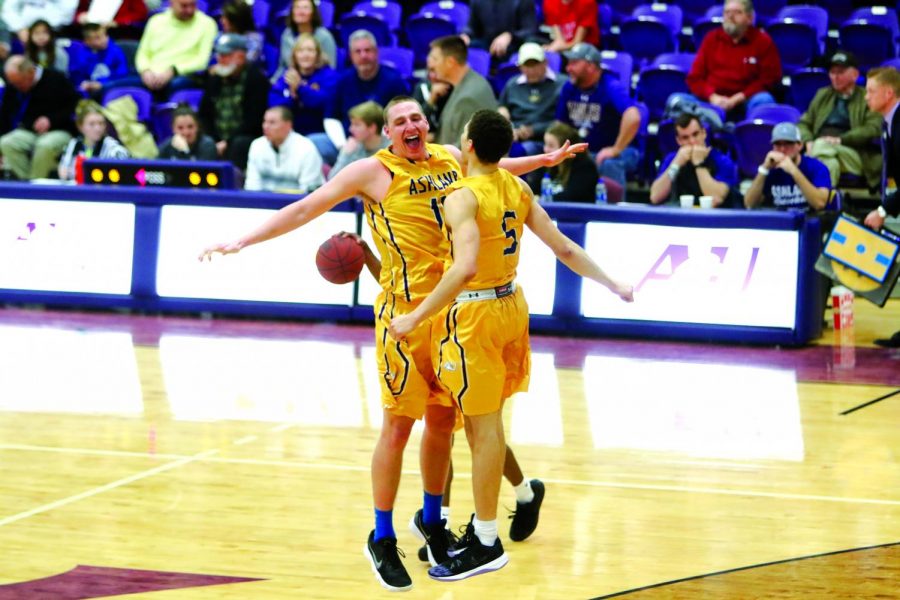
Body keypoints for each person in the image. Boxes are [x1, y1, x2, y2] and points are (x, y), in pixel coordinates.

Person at [199, 96, 585, 592]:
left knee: (444, 424)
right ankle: (381, 536)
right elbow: (304, 208)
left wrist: (544, 161)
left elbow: (497, 165)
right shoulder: (370, 171)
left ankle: (434, 521)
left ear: (427, 124)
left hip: (450, 312)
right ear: (387, 132)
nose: (411, 125)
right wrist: (241, 241)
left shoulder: (449, 157)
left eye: (417, 118)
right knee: (399, 428)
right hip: (403, 315)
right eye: (400, 120)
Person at [387, 108, 633, 581]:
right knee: (488, 424)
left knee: (480, 431)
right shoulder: (516, 188)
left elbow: (461, 269)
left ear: (471, 147)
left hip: (475, 315)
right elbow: (563, 248)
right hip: (512, 307)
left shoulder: (462, 197)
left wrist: (416, 315)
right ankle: (515, 499)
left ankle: (485, 540)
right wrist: (611, 283)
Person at [555, 42, 641, 191]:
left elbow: (633, 117)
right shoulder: (569, 88)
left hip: (622, 150)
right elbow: (560, 126)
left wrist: (615, 149)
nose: (568, 68)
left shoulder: (610, 86)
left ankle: (615, 212)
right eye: (568, 64)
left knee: (609, 163)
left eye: (574, 63)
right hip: (584, 151)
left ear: (591, 66)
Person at [684, 0, 781, 121]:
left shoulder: (763, 42)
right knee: (677, 100)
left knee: (764, 100)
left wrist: (738, 98)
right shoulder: (711, 39)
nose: (730, 17)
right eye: (727, 12)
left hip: (745, 100)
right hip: (712, 100)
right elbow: (695, 78)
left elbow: (770, 79)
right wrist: (712, 97)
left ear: (750, 18)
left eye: (737, 12)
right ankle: (712, 122)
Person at [798, 50, 882, 189]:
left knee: (820, 148)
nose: (835, 77)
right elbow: (803, 123)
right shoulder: (823, 95)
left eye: (840, 72)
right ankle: (826, 205)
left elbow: (872, 129)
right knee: (829, 164)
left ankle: (811, 195)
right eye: (832, 72)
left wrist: (841, 140)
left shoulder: (866, 98)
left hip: (856, 154)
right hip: (823, 151)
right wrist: (807, 141)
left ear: (855, 75)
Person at [326, 30, 409, 164]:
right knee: (317, 143)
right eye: (358, 51)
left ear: (376, 52)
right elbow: (330, 117)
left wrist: (383, 142)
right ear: (351, 55)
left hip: (384, 142)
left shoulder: (393, 80)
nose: (363, 55)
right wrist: (342, 145)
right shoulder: (342, 81)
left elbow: (404, 116)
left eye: (367, 50)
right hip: (348, 141)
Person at [862, 66, 900, 348]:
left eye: (871, 91)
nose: (866, 97)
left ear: (888, 93)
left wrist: (884, 210)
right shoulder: (890, 121)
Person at [0, 55, 80, 180]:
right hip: (29, 131)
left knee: (44, 146)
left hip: (60, 130)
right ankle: (26, 182)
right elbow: (5, 115)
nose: (17, 87)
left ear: (31, 72)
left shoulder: (56, 78)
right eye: (13, 84)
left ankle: (36, 186)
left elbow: (75, 107)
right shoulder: (13, 86)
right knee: (6, 142)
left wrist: (51, 119)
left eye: (20, 83)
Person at [198, 33, 270, 170]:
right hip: (216, 138)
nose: (220, 59)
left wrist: (227, 142)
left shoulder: (256, 79)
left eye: (226, 55)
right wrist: (214, 140)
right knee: (204, 143)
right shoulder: (214, 78)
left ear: (241, 57)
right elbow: (204, 114)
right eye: (219, 55)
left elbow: (254, 120)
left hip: (245, 137)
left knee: (239, 144)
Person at [650, 112, 740, 207]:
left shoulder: (721, 160)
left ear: (703, 133)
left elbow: (716, 198)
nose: (692, 141)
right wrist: (676, 164)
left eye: (695, 134)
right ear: (678, 141)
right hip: (682, 218)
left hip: (716, 219)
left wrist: (699, 164)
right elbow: (655, 197)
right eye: (685, 138)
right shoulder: (673, 159)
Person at [134, 0, 218, 95]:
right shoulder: (155, 21)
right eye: (184, 6)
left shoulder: (207, 24)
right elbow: (143, 53)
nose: (190, 10)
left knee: (174, 86)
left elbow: (203, 61)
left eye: (193, 5)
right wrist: (145, 70)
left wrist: (174, 71)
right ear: (172, 4)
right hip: (151, 75)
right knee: (115, 86)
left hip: (182, 75)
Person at [744, 122, 831, 212]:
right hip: (780, 222)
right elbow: (749, 204)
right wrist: (764, 169)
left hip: (808, 220)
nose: (782, 149)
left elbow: (820, 203)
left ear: (800, 145)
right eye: (778, 144)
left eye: (788, 144)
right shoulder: (770, 169)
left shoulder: (816, 167)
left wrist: (793, 171)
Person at [427, 35, 497, 146]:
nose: (431, 64)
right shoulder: (467, 84)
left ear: (450, 62)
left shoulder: (468, 98)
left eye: (435, 59)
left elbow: (465, 151)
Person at [499, 42, 564, 157]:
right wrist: (507, 126)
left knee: (518, 152)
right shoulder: (512, 84)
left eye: (535, 64)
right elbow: (502, 108)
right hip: (514, 135)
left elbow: (564, 120)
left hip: (547, 139)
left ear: (545, 62)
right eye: (527, 66)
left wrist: (534, 130)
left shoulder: (562, 84)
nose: (531, 70)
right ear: (520, 66)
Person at [269, 34, 338, 138]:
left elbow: (325, 102)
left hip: (321, 132)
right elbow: (275, 106)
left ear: (318, 55)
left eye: (310, 50)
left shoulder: (329, 75)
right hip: (291, 133)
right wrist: (292, 97)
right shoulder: (288, 77)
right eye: (300, 51)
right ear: (294, 56)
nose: (305, 55)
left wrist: (300, 88)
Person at [244, 106, 324, 193]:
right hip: (263, 203)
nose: (265, 126)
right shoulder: (257, 145)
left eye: (272, 122)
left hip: (297, 203)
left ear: (288, 125)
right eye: (264, 121)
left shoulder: (306, 148)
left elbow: (308, 192)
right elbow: (252, 186)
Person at [57, 99, 129, 180]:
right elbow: (63, 171)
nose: (98, 128)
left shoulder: (111, 146)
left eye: (101, 123)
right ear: (80, 126)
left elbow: (123, 166)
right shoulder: (74, 144)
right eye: (92, 124)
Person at [527, 121, 598, 202]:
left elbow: (571, 197)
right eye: (545, 144)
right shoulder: (547, 163)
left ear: (565, 148)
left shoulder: (585, 167)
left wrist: (541, 200)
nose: (545, 149)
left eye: (551, 145)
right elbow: (533, 189)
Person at [461, 0, 538, 62]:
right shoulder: (478, 1)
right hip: (487, 45)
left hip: (515, 47)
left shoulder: (522, 1)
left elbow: (530, 30)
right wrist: (466, 35)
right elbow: (472, 26)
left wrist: (510, 36)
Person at [328, 101, 388, 179]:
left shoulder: (392, 148)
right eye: (351, 124)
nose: (350, 129)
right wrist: (346, 155)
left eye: (356, 125)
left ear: (372, 128)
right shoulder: (352, 148)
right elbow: (331, 179)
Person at [277, 0, 337, 76]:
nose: (301, 12)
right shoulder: (286, 35)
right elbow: (282, 67)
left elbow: (331, 67)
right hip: (290, 79)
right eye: (297, 7)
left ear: (313, 13)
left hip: (318, 83)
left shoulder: (325, 37)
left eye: (305, 8)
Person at [70, 22, 129, 97]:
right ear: (87, 41)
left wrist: (102, 84)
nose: (104, 40)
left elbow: (121, 75)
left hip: (111, 89)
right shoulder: (79, 54)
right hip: (87, 90)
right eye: (97, 38)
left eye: (105, 35)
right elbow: (76, 75)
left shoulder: (115, 51)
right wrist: (84, 84)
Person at [1, 0, 77, 45]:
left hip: (55, 30)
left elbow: (68, 9)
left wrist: (45, 29)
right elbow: (8, 9)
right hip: (24, 32)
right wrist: (20, 28)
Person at [218, 0, 263, 65]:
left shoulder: (254, 39)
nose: (221, 21)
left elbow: (249, 61)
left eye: (225, 17)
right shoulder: (221, 36)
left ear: (236, 20)